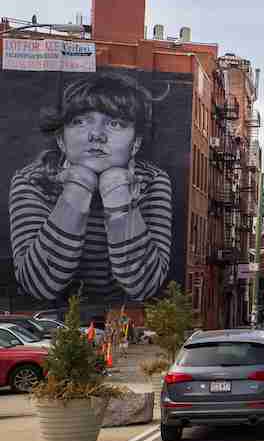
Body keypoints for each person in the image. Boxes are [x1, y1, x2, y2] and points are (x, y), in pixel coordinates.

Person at [9, 73, 173, 302]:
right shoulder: (32, 180)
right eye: (80, 121)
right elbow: (39, 286)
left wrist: (117, 193)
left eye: (115, 123)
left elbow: (143, 286)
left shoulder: (153, 181)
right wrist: (78, 188)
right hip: (51, 324)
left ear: (135, 143)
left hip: (123, 322)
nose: (96, 135)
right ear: (60, 139)